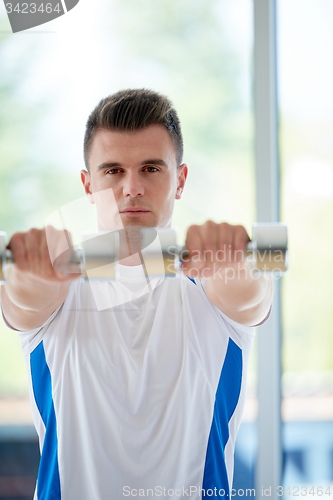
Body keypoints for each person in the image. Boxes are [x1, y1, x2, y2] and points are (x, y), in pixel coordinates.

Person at [1, 89, 273, 500]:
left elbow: (250, 291)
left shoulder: (216, 284)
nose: (131, 188)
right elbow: (24, 297)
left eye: (150, 168)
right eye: (112, 171)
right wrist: (29, 270)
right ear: (87, 184)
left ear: (179, 180)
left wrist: (237, 261)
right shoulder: (54, 286)